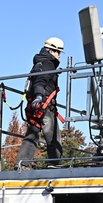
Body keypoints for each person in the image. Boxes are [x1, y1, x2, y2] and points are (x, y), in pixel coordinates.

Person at [15, 37, 64, 169]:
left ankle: (21, 163)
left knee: (31, 135)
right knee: (53, 136)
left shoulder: (38, 63)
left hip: (33, 106)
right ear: (51, 51)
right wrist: (39, 96)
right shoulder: (48, 64)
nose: (59, 56)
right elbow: (40, 81)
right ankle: (55, 163)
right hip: (43, 105)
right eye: (58, 52)